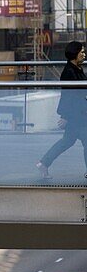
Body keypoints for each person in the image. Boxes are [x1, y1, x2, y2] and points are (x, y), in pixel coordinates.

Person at [37, 41, 87, 179]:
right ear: (74, 54)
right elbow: (68, 96)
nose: (84, 54)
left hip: (78, 114)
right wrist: (65, 116)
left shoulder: (76, 69)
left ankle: (44, 163)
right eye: (81, 52)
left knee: (67, 141)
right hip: (78, 116)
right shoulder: (69, 72)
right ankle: (43, 163)